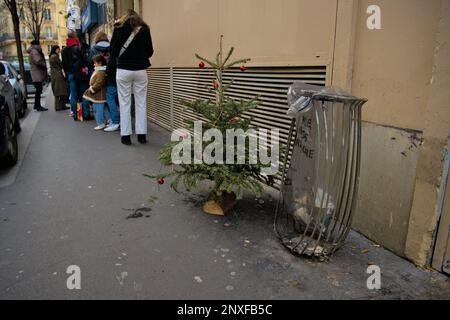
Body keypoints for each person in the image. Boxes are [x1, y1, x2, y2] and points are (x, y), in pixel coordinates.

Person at [110, 9, 154, 145]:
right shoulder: (145, 30)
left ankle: (126, 137)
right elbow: (150, 51)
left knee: (124, 103)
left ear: (125, 17)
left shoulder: (118, 30)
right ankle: (141, 136)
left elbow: (112, 52)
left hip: (123, 70)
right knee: (141, 103)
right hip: (140, 70)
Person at [89, 32, 120, 132]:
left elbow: (90, 62)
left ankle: (114, 121)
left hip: (101, 77)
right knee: (115, 101)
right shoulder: (112, 48)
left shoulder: (94, 49)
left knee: (105, 100)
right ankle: (113, 120)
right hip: (115, 75)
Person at [61, 32, 90, 121]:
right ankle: (85, 114)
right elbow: (86, 60)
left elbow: (64, 65)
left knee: (73, 95)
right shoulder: (78, 47)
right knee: (84, 94)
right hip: (81, 74)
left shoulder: (64, 50)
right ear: (75, 37)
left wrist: (67, 74)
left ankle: (76, 115)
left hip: (71, 74)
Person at [82, 54, 109, 131]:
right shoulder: (100, 70)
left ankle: (101, 123)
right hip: (98, 94)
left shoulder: (101, 71)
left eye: (95, 62)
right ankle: (109, 121)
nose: (94, 64)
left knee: (98, 109)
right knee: (103, 109)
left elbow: (99, 83)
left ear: (100, 63)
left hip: (98, 94)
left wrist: (92, 89)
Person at [27, 40, 48, 112]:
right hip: (37, 73)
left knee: (38, 90)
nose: (40, 46)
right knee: (38, 90)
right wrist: (44, 65)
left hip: (36, 73)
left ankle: (37, 105)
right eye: (39, 44)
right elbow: (38, 61)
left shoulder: (33, 51)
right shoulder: (34, 51)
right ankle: (37, 106)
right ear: (37, 44)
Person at [49, 46, 69, 111]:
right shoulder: (54, 57)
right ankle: (58, 106)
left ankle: (61, 105)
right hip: (57, 75)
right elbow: (61, 65)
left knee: (60, 90)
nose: (59, 51)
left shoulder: (53, 56)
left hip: (56, 75)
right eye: (58, 49)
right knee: (59, 91)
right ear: (55, 50)